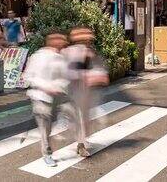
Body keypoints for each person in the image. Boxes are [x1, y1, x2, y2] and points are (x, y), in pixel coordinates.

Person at [24, 32, 69, 167]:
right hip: (39, 96)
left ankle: (46, 148)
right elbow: (28, 76)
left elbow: (65, 77)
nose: (62, 44)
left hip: (54, 98)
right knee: (45, 127)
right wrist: (46, 86)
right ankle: (47, 153)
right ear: (52, 42)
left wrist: (59, 87)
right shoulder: (38, 56)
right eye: (59, 41)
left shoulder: (60, 58)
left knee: (48, 127)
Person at [62, 27, 108, 158]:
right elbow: (66, 71)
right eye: (86, 39)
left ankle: (80, 141)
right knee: (80, 119)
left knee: (84, 119)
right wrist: (84, 75)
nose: (88, 41)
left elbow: (98, 67)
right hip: (75, 90)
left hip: (85, 91)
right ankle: (80, 145)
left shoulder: (89, 52)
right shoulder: (71, 52)